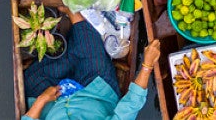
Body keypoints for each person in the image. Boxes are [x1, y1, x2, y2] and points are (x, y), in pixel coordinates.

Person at [22, 12, 161, 120]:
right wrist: (147, 65)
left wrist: (42, 99)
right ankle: (76, 28)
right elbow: (131, 105)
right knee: (92, 53)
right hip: (95, 91)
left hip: (51, 101)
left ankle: (67, 46)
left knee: (31, 79)